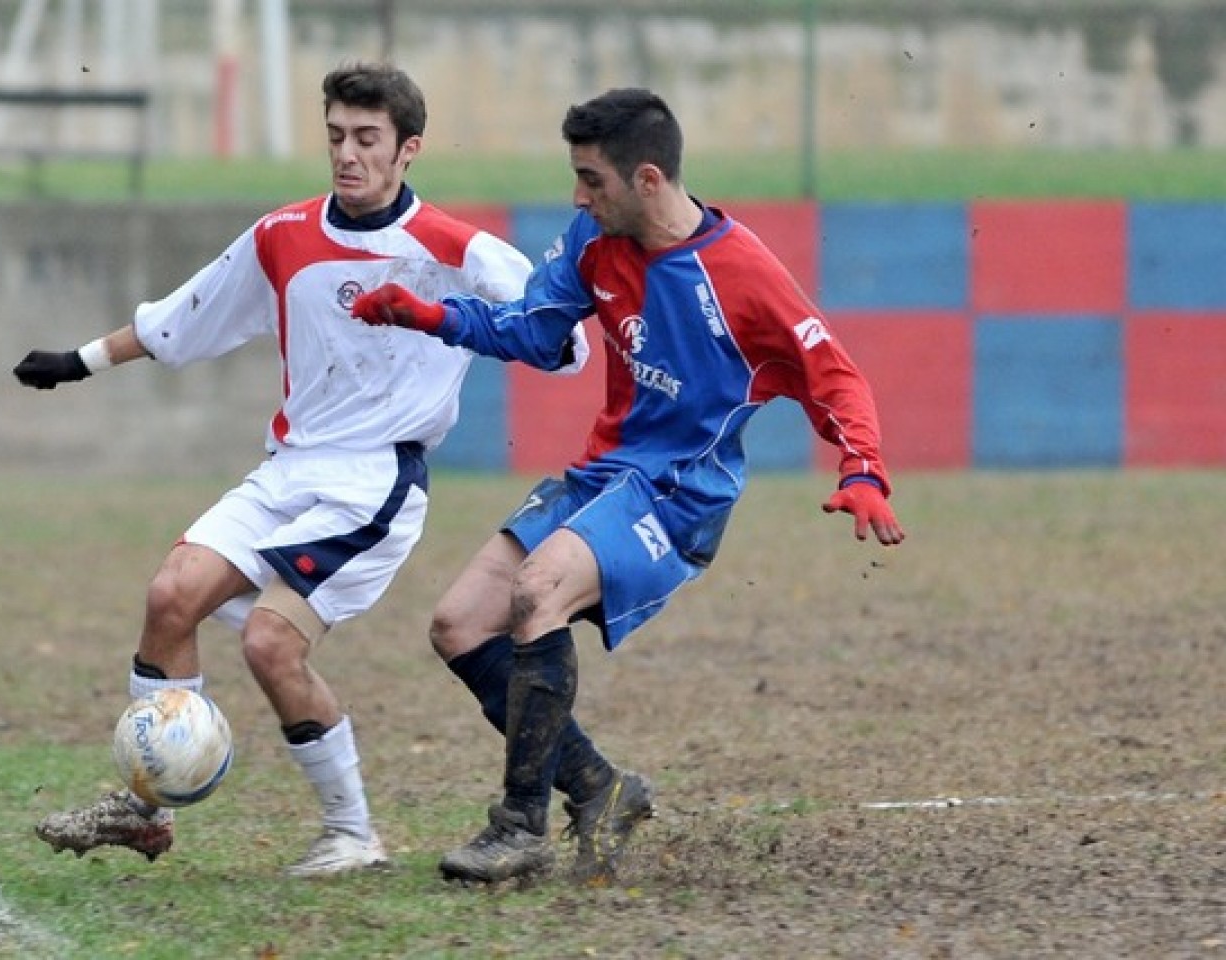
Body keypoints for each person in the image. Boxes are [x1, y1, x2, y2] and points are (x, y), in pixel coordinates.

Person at [12, 63, 586, 878]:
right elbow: (186, 318)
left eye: (366, 140)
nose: (347, 155)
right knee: (170, 596)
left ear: (407, 150)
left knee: (272, 645)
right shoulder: (282, 234)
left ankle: (352, 836)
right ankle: (142, 809)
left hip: (375, 483)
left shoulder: (456, 250)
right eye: (335, 137)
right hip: (288, 469)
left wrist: (524, 324)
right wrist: (80, 361)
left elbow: (560, 339)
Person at [351, 87, 906, 885]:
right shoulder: (593, 239)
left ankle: (519, 829)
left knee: (537, 591)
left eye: (591, 179)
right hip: (605, 477)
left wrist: (864, 472)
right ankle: (600, 788)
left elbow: (837, 378)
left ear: (647, 179)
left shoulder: (742, 273)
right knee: (458, 626)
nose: (578, 197)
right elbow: (538, 334)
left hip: (679, 495)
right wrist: (430, 316)